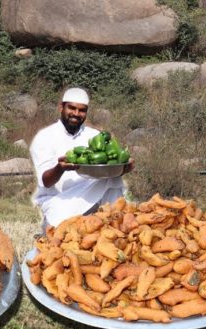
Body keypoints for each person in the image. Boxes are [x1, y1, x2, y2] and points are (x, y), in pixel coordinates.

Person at [29, 87, 134, 229]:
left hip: (92, 194)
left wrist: (121, 168)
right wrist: (60, 168)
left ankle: (117, 225)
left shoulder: (94, 136)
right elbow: (46, 182)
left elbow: (105, 167)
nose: (76, 114)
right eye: (71, 108)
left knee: (114, 179)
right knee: (62, 230)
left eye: (82, 110)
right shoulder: (45, 137)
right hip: (59, 199)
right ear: (61, 107)